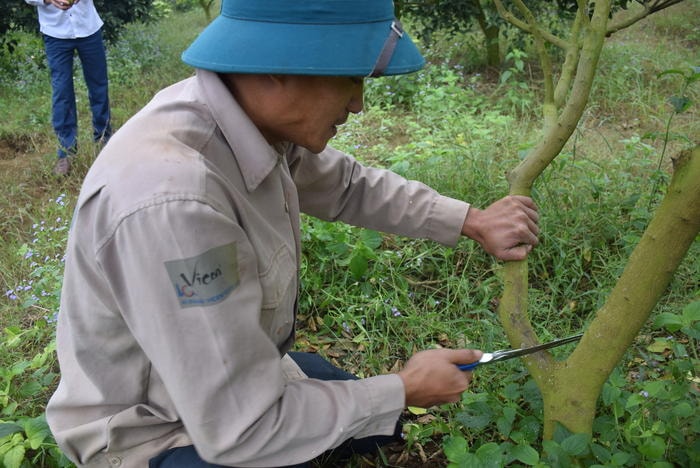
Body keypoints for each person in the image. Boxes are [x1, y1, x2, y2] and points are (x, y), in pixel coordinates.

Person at [45, 0, 540, 466]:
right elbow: (242, 427)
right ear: (274, 66)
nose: (358, 104)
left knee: (362, 417)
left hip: (215, 388)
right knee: (363, 409)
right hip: (155, 429)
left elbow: (346, 186)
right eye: (349, 78)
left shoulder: (244, 118)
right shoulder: (176, 205)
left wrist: (473, 221)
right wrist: (404, 389)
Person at [25, 0, 112, 176]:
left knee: (99, 87)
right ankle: (65, 152)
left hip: (88, 28)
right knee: (62, 92)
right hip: (55, 32)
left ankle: (105, 140)